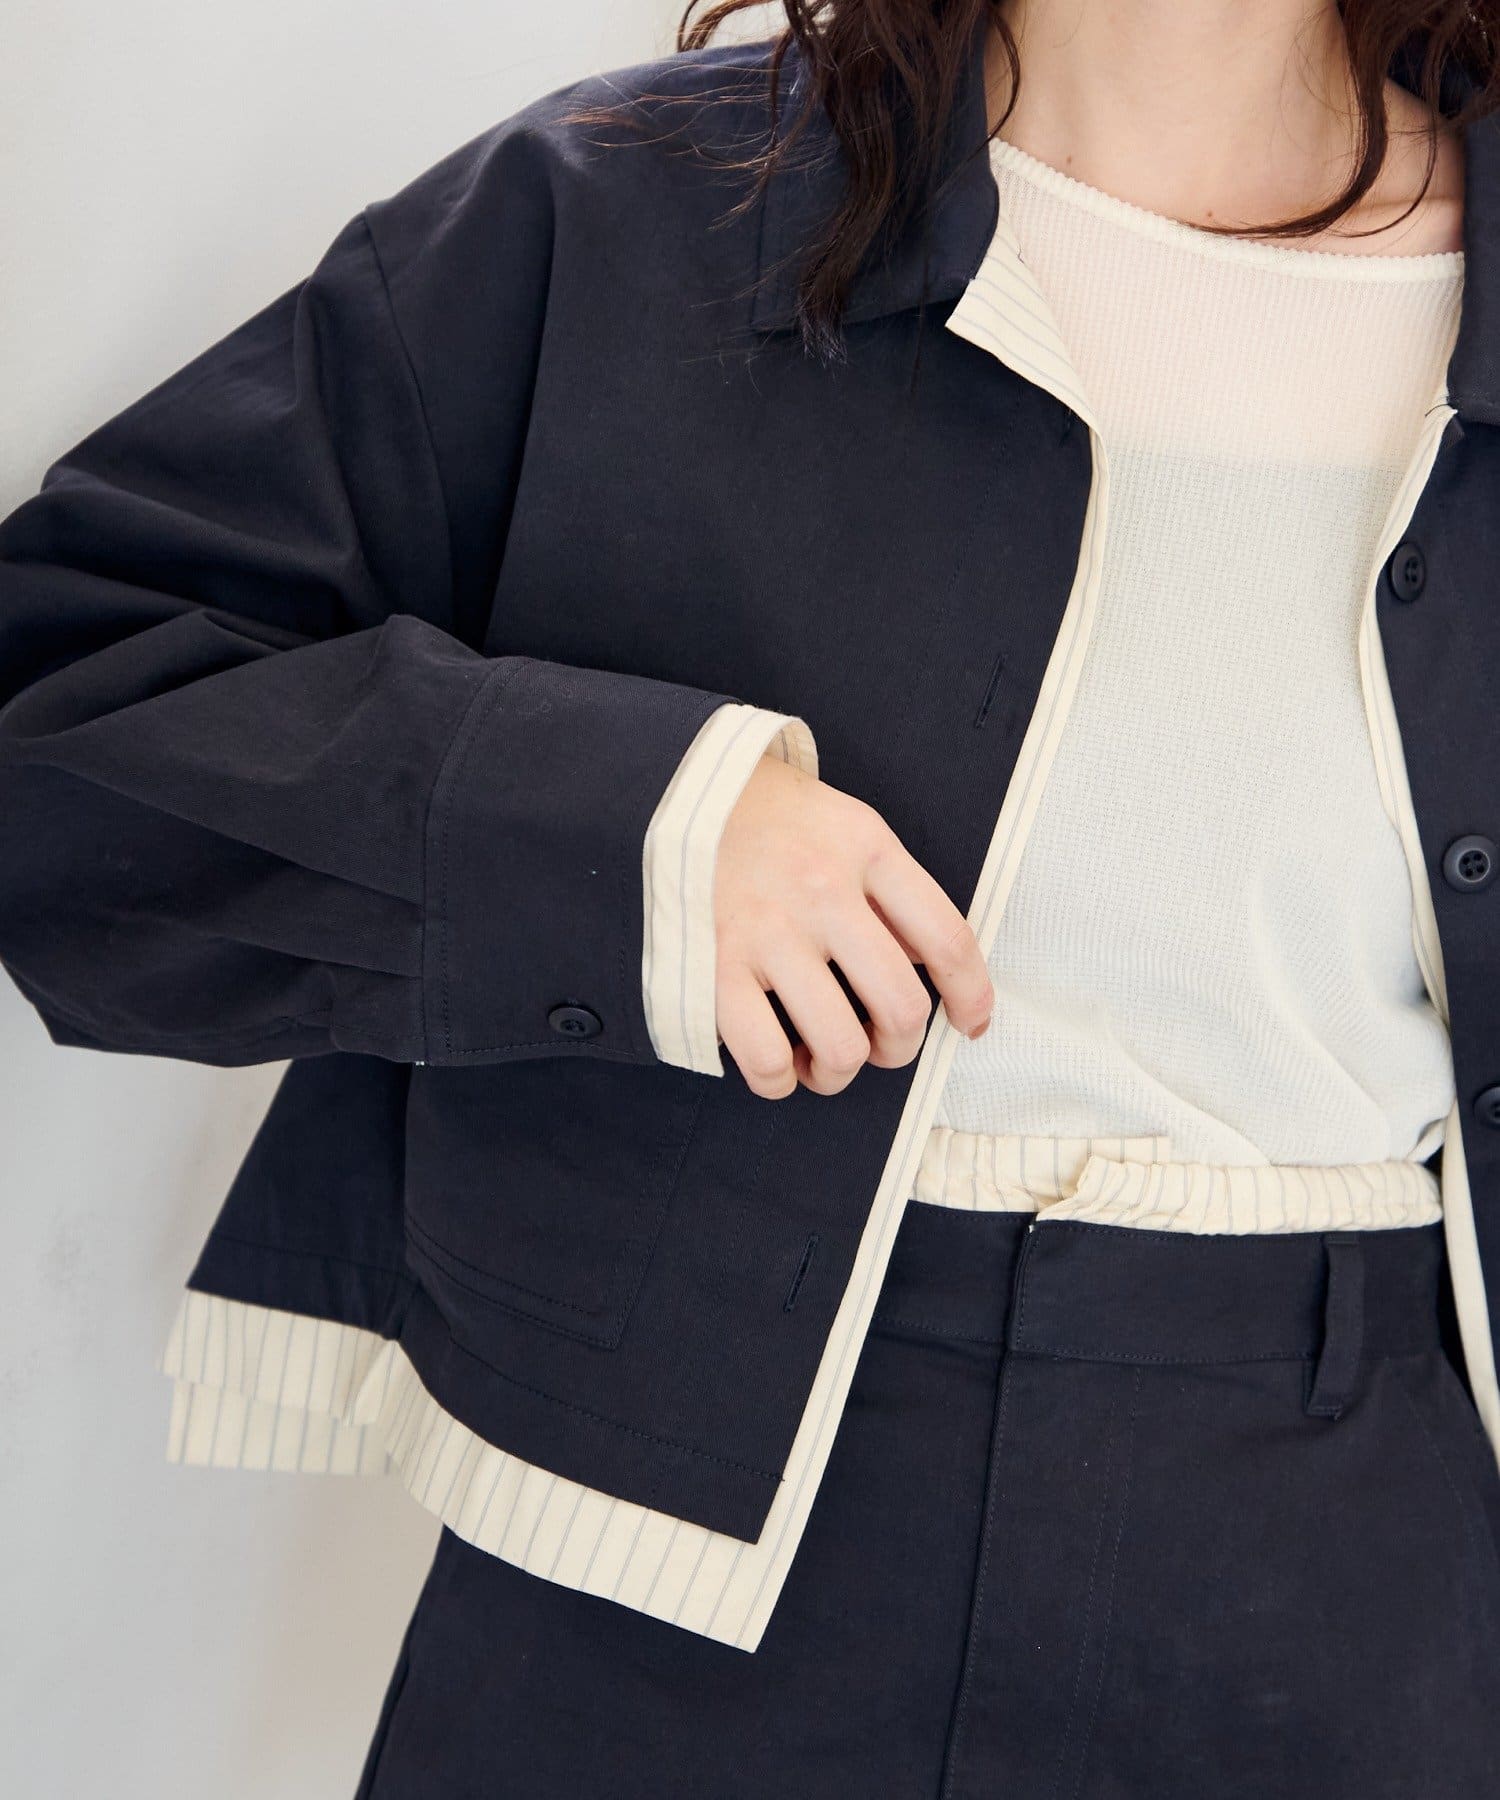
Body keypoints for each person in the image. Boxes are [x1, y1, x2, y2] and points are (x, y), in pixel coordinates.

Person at [3, 1, 1500, 1793]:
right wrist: (643, 835)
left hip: (1361, 1566)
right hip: (674, 1568)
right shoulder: (626, 214)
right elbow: (60, 726)